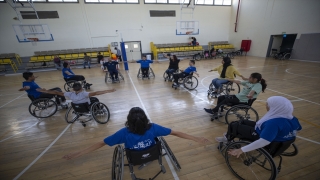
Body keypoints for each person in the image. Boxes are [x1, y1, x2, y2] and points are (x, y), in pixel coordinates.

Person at [62, 107, 209, 160]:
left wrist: (78, 153)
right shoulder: (153, 128)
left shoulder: (123, 133)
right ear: (145, 118)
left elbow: (101, 143)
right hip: (153, 154)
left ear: (128, 120)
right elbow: (176, 133)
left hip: (135, 158)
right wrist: (197, 138)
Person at [216, 96, 302, 158]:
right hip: (275, 138)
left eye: (268, 104)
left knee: (234, 125)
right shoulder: (292, 119)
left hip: (262, 137)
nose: (266, 106)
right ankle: (230, 134)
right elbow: (297, 130)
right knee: (242, 121)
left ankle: (228, 138)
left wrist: (241, 150)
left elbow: (264, 141)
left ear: (276, 107)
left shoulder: (273, 123)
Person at [37, 82, 116, 106]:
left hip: (76, 106)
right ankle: (98, 109)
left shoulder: (69, 94)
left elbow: (56, 92)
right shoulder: (85, 94)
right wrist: (110, 90)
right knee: (95, 99)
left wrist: (46, 91)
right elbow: (97, 93)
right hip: (85, 106)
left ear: (73, 89)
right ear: (81, 88)